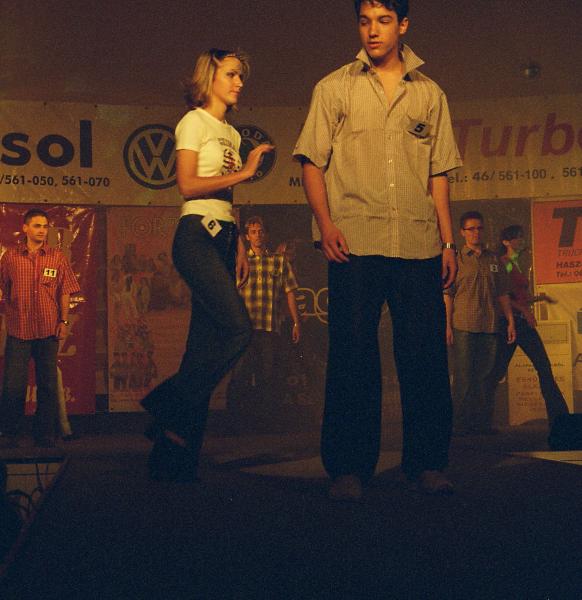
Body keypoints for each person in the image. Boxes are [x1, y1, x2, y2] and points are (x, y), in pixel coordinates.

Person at [293, 0, 462, 499]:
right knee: (352, 358)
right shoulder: (334, 88)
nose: (373, 30)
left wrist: (447, 241)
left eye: (384, 20)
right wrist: (326, 224)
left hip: (418, 242)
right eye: (365, 21)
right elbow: (311, 162)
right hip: (355, 242)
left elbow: (438, 173)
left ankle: (428, 465)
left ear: (403, 25)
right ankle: (349, 469)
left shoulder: (429, 94)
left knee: (425, 359)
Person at [140, 48, 274, 482]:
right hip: (195, 236)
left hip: (223, 238)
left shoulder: (231, 133)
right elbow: (187, 184)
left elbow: (226, 197)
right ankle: (166, 405)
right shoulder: (193, 122)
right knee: (238, 329)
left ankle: (174, 456)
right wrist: (245, 172)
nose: (239, 82)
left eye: (241, 76)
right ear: (210, 77)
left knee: (200, 350)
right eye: (232, 74)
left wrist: (238, 244)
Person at [0, 209, 79, 448]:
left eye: (45, 226)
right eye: (37, 226)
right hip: (19, 330)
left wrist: (63, 321)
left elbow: (64, 292)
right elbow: (4, 289)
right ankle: (10, 434)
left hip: (48, 330)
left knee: (47, 385)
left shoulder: (57, 257)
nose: (42, 230)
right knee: (13, 385)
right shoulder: (10, 257)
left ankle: (44, 434)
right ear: (25, 228)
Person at [485, 225, 569, 427]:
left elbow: (519, 295)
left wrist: (540, 298)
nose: (521, 240)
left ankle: (559, 418)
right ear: (506, 242)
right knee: (501, 371)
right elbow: (502, 295)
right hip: (512, 322)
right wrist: (524, 310)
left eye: (521, 237)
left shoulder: (516, 263)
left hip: (520, 320)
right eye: (517, 237)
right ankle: (480, 417)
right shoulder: (505, 263)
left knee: (537, 367)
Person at [444, 211, 515, 435]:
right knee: (464, 377)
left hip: (490, 326)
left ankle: (482, 423)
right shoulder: (457, 259)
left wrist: (510, 321)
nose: (476, 232)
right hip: (464, 326)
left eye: (479, 228)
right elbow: (448, 295)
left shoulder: (493, 259)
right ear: (462, 232)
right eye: (471, 229)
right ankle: (460, 425)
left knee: (486, 377)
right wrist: (447, 326)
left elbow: (502, 293)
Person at [226, 216, 301, 426]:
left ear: (266, 235)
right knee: (240, 373)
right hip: (246, 328)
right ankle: (235, 419)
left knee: (267, 375)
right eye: (253, 232)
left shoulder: (278, 261)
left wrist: (296, 322)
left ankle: (265, 420)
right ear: (247, 236)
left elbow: (290, 291)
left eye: (260, 231)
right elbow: (231, 293)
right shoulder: (241, 262)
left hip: (269, 327)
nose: (258, 236)